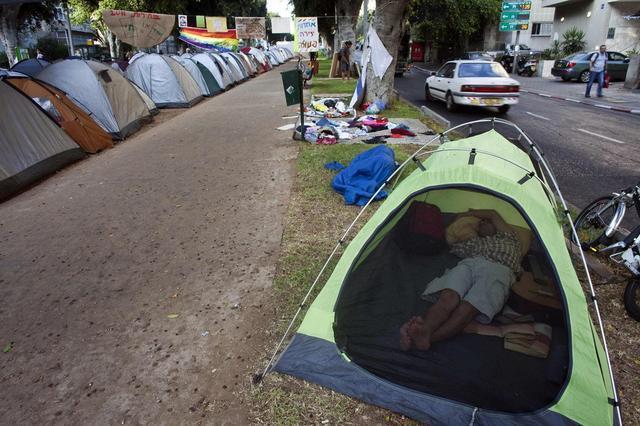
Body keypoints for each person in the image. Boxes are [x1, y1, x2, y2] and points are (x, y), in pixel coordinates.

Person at [399, 209, 525, 351]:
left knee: (468, 306)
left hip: (499, 267)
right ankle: (424, 331)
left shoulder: (509, 238)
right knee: (448, 297)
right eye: (480, 223)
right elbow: (449, 235)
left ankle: (428, 337)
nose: (482, 223)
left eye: (486, 222)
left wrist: (466, 214)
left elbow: (493, 213)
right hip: (470, 263)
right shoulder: (469, 243)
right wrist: (460, 222)